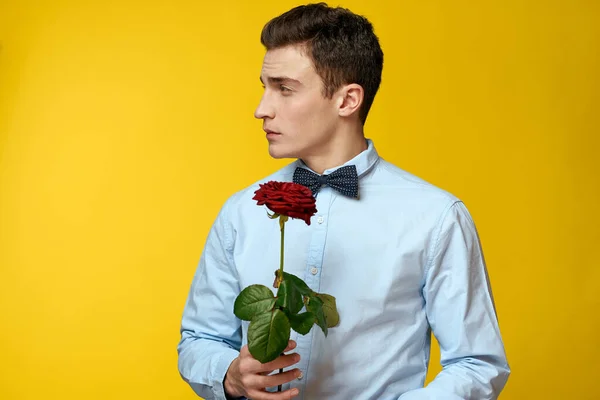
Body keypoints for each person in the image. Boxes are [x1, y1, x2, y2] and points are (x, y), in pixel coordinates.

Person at [177, 3, 510, 399]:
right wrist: (229, 374)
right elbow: (198, 339)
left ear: (347, 100)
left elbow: (477, 363)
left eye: (284, 88)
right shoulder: (241, 211)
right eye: (264, 87)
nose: (261, 109)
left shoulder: (436, 217)